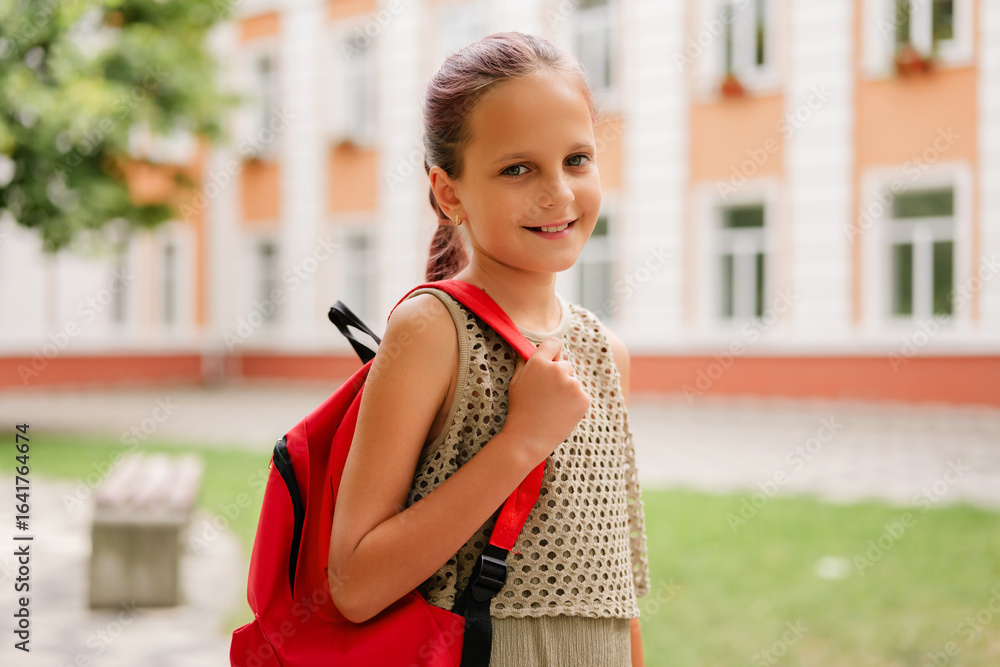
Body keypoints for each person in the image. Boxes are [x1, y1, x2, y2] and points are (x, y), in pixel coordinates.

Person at [327, 31, 651, 666]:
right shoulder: (432, 330)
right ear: (449, 193)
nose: (558, 192)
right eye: (517, 168)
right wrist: (521, 440)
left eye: (577, 159)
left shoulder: (607, 354)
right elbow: (355, 584)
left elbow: (621, 585)